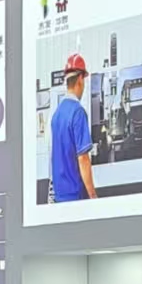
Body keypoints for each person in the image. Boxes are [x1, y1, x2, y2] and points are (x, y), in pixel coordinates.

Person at [48, 54, 98, 203]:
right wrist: (93, 196)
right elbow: (83, 158)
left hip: (60, 195)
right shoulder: (78, 112)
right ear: (81, 79)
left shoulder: (56, 115)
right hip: (76, 196)